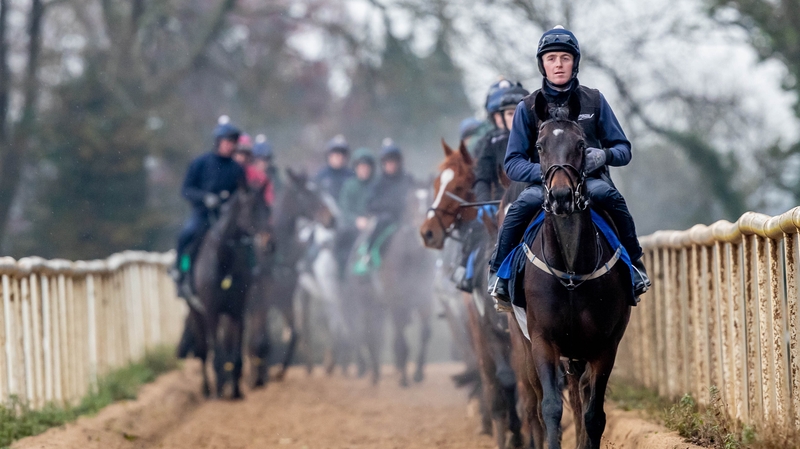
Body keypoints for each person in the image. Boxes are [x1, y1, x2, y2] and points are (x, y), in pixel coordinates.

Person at [488, 26, 650, 306]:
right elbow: (512, 163)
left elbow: (624, 150)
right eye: (551, 59)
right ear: (542, 64)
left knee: (612, 198)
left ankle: (634, 267)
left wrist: (604, 155)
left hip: (590, 183)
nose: (558, 65)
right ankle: (500, 274)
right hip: (543, 186)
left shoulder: (595, 100)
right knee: (519, 207)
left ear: (575, 62)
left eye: (564, 57)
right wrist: (547, 174)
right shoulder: (528, 107)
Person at [451, 80, 529, 292]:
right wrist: (485, 203)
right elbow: (481, 178)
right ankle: (469, 271)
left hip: (533, 199)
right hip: (498, 203)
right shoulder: (490, 142)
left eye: (517, 113)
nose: (511, 119)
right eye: (507, 114)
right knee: (475, 230)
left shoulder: (538, 137)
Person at [174, 116, 246, 297]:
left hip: (228, 217)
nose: (231, 145)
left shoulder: (237, 169)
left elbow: (244, 194)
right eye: (228, 141)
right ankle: (181, 271)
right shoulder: (200, 163)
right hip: (203, 214)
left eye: (234, 142)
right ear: (218, 141)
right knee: (186, 236)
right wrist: (205, 198)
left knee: (247, 241)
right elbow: (186, 190)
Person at [353, 139, 413, 273]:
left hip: (405, 218)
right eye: (387, 161)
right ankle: (368, 253)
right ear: (383, 163)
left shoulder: (407, 179)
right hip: (386, 219)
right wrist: (388, 206)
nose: (390, 164)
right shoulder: (378, 182)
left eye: (393, 161)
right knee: (381, 222)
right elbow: (370, 203)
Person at [335, 148, 377, 276]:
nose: (364, 170)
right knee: (343, 249)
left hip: (374, 225)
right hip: (352, 228)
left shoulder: (376, 185)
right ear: (356, 168)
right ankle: (343, 275)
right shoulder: (349, 186)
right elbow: (344, 210)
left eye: (366, 167)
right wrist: (356, 220)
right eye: (361, 167)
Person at [314, 134, 354, 202]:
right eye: (336, 152)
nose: (339, 157)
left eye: (343, 153)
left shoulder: (352, 176)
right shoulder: (321, 176)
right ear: (329, 155)